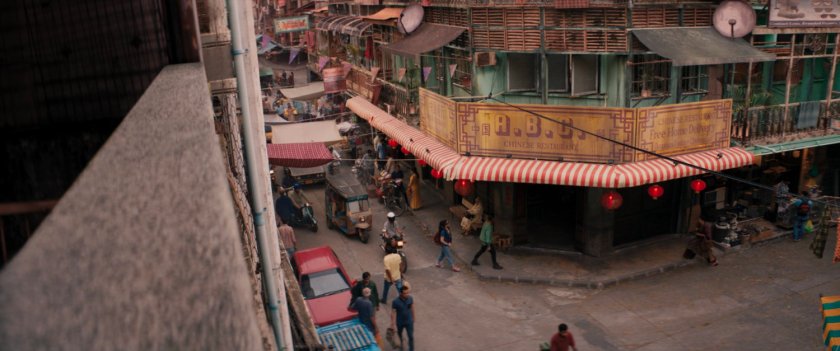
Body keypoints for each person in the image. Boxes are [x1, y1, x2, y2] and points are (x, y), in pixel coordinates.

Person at [390, 286, 415, 351]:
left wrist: (413, 317)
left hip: (409, 321)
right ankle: (401, 347)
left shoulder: (410, 298)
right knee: (399, 335)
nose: (407, 294)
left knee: (411, 336)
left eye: (408, 293)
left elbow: (412, 307)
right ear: (401, 293)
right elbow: (393, 312)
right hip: (400, 322)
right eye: (405, 293)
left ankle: (411, 349)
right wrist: (392, 324)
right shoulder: (395, 301)